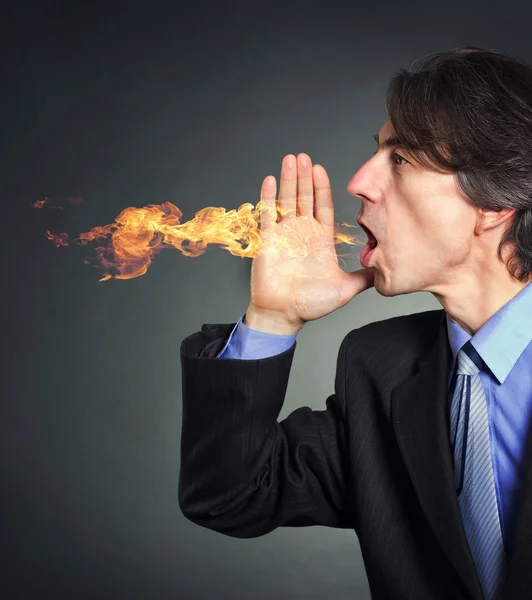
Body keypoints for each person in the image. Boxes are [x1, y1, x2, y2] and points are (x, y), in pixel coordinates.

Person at [178, 45, 532, 600]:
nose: (360, 182)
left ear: (492, 203)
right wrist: (272, 317)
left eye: (402, 158)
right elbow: (229, 496)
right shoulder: (380, 370)